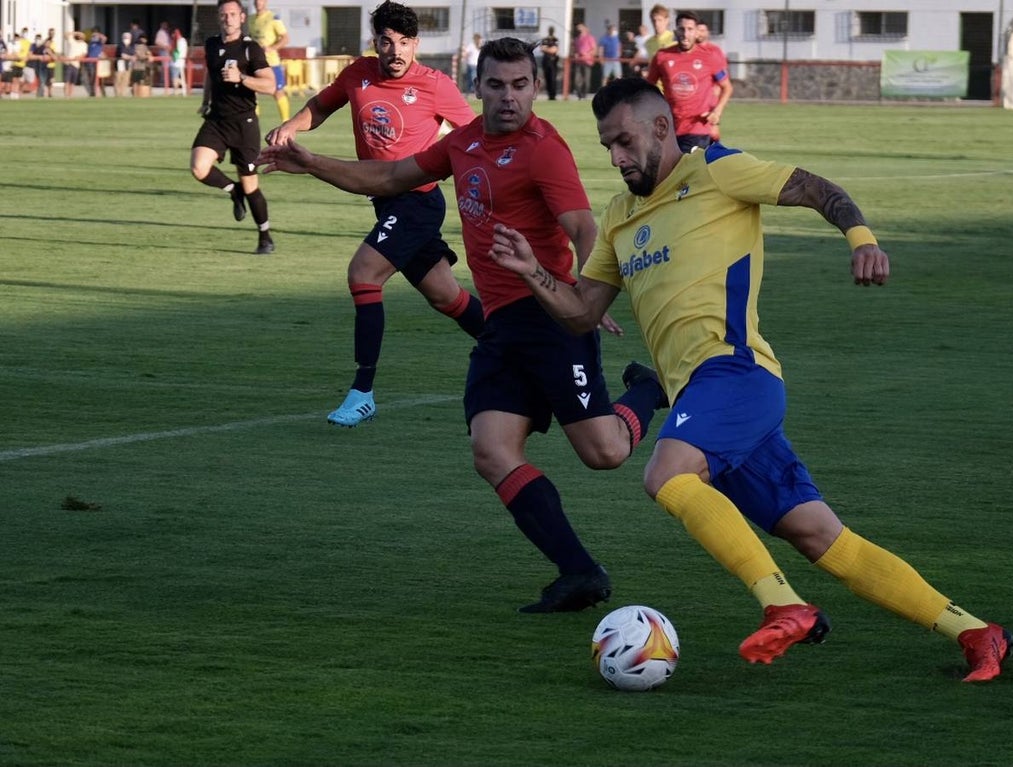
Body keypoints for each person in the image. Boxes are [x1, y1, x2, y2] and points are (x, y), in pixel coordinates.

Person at [487, 77, 1013, 682]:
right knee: (822, 538)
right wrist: (533, 272)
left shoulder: (718, 170)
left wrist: (861, 239)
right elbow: (582, 311)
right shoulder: (618, 217)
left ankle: (784, 605)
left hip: (735, 372)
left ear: (661, 127)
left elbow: (818, 189)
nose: (616, 158)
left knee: (666, 475)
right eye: (607, 145)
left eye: (625, 142)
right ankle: (977, 632)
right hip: (709, 403)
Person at [257, 37, 668, 613]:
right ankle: (580, 572)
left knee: (603, 453)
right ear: (478, 88)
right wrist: (310, 162)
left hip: (550, 317)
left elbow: (582, 226)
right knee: (492, 451)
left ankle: (647, 389)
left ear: (535, 87)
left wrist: (589, 292)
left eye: (520, 85)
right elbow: (388, 178)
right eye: (496, 85)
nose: (508, 97)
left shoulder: (543, 149)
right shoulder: (464, 143)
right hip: (502, 328)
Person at [266, 0, 483, 427]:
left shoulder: (435, 84)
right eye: (387, 42)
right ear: (375, 43)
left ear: (416, 44)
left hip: (418, 201)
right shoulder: (357, 74)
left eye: (404, 43)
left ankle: (362, 392)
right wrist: (292, 124)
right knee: (447, 296)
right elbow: (322, 105)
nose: (396, 51)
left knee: (363, 274)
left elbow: (473, 134)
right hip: (386, 201)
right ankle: (519, 349)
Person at [191, 0, 279, 254]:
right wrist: (205, 100)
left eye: (232, 14)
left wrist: (241, 77)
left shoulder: (251, 49)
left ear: (242, 18)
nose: (227, 18)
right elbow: (210, 73)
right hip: (217, 120)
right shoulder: (211, 44)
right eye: (223, 14)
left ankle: (265, 236)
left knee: (251, 184)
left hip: (244, 123)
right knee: (198, 167)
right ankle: (233, 190)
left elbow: (271, 85)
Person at [645, 11, 732, 153]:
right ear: (675, 31)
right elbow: (647, 87)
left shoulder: (709, 57)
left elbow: (726, 87)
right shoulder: (662, 57)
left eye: (690, 29)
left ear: (697, 32)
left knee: (687, 170)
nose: (685, 34)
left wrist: (717, 112)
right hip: (670, 128)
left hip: (697, 128)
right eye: (681, 29)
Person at [250, 0, 292, 122]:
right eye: (256, 1)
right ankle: (253, 121)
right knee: (252, 91)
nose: (258, 3)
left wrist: (271, 48)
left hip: (271, 62)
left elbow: (285, 38)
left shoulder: (273, 18)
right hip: (255, 61)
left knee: (278, 92)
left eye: (260, 0)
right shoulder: (250, 18)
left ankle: (286, 122)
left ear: (266, 2)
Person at [571, 23, 595, 100]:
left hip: (587, 61)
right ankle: (579, 94)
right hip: (578, 61)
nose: (579, 30)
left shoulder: (590, 38)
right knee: (576, 79)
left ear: (584, 29)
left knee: (586, 80)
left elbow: (594, 50)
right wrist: (575, 54)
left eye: (580, 28)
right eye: (577, 28)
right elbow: (573, 49)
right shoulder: (576, 39)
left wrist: (586, 54)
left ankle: (584, 94)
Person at [83, 28, 107, 97]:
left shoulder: (99, 42)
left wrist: (98, 35)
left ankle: (103, 92)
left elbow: (104, 39)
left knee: (101, 77)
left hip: (98, 62)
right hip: (90, 61)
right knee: (92, 77)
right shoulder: (90, 42)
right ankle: (92, 92)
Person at [63, 31, 87, 98]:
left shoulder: (84, 44)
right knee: (67, 81)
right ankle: (66, 96)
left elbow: (84, 54)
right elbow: (65, 35)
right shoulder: (72, 42)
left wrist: (79, 57)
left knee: (72, 82)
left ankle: (70, 95)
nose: (80, 36)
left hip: (76, 65)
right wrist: (75, 33)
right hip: (69, 63)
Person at [538, 26, 559, 100]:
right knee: (547, 78)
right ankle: (549, 95)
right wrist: (549, 49)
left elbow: (554, 50)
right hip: (546, 60)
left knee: (553, 78)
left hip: (553, 61)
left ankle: (553, 95)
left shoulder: (555, 39)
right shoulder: (545, 39)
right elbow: (541, 48)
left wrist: (546, 49)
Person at [113, 31, 134, 97]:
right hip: (120, 64)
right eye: (126, 37)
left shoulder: (131, 46)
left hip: (128, 65)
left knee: (126, 80)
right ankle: (118, 94)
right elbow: (123, 55)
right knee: (118, 79)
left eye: (128, 37)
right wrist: (131, 57)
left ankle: (123, 94)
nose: (127, 39)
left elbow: (133, 54)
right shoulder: (121, 45)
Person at [170, 28, 188, 96]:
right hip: (181, 61)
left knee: (174, 77)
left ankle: (182, 86)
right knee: (177, 76)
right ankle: (177, 90)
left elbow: (176, 51)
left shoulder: (178, 41)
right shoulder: (184, 41)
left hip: (176, 61)